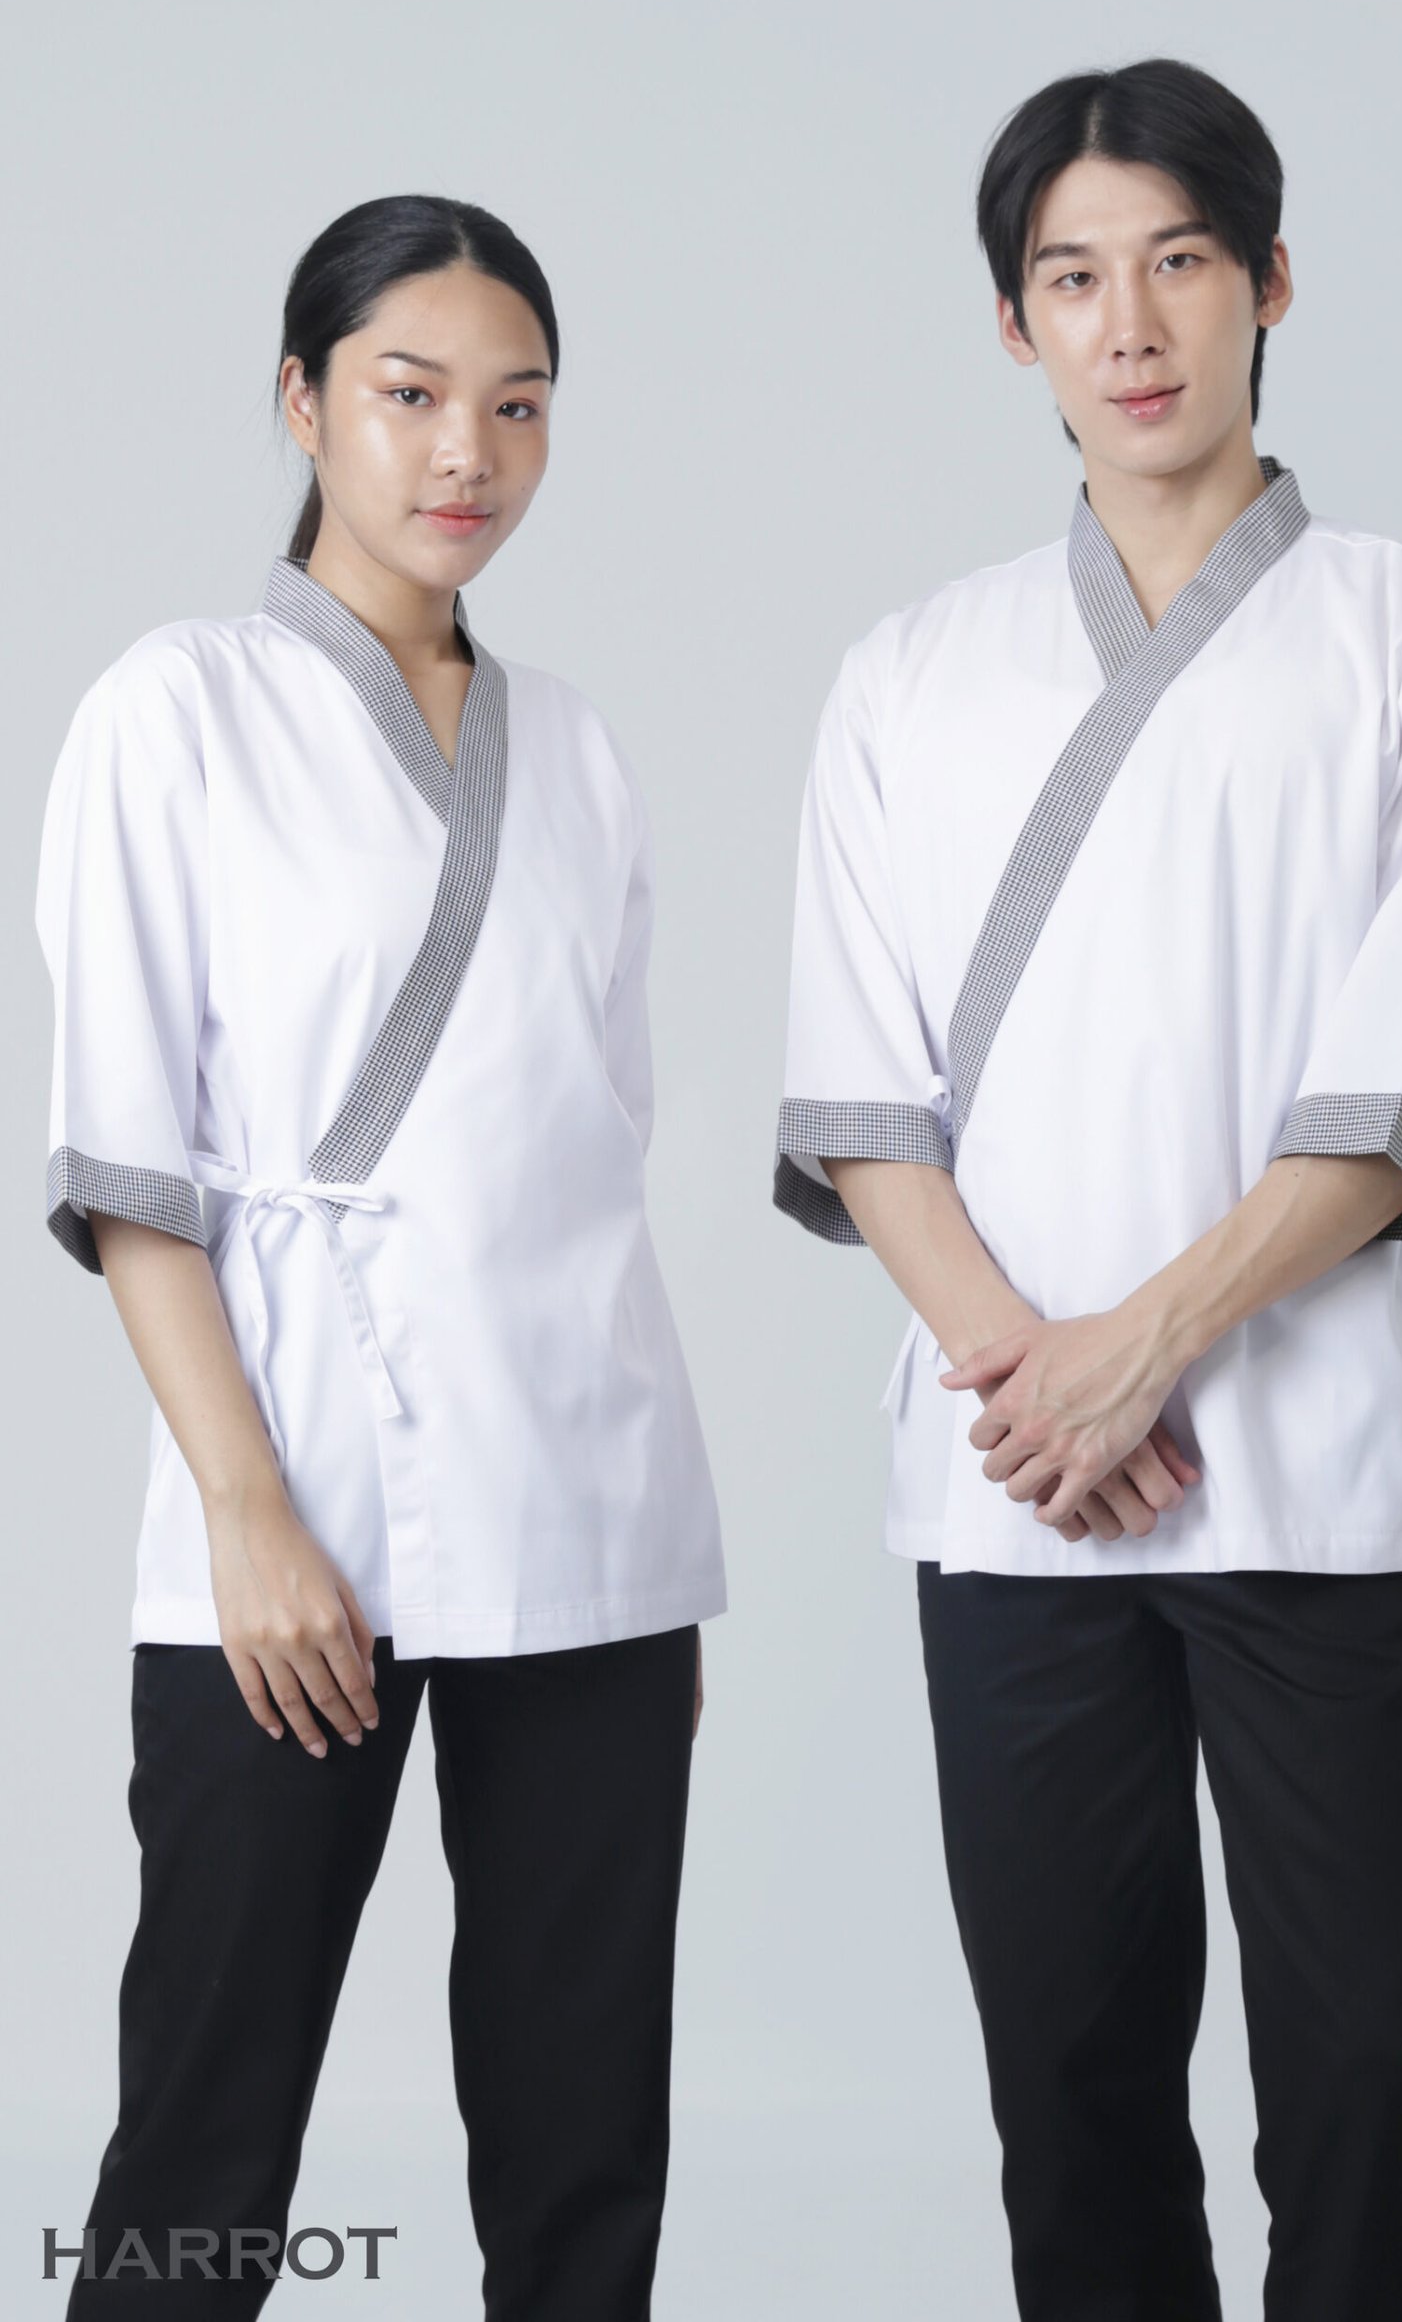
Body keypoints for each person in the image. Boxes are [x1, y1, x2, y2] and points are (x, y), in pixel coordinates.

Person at [772, 57, 1402, 2322]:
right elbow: (861, 1099)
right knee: (1071, 2083)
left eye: (1180, 263)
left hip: (1309, 1481)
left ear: (1270, 282)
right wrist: (1046, 1378)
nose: (1129, 325)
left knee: (1352, 2078)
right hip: (1019, 1488)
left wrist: (1146, 1348)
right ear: (1012, 324)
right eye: (1071, 279)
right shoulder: (909, 675)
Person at [36, 193, 725, 2318]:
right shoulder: (176, 709)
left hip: (587, 1508)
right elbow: (131, 1168)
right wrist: (248, 1513)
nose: (465, 455)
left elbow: (589, 1134)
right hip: (295, 1506)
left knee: (581, 2144)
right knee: (206, 2130)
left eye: (517, 408)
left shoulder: (576, 749)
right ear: (300, 399)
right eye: (411, 395)